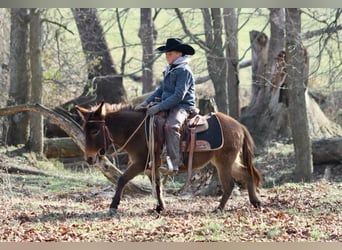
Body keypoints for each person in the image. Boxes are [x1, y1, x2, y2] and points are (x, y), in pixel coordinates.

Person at [135, 38, 196, 175]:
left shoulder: (184, 71)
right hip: (168, 104)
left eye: (169, 53)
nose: (166, 56)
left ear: (179, 54)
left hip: (182, 106)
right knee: (151, 122)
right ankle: (154, 158)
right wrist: (146, 102)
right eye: (166, 54)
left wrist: (159, 107)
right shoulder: (170, 70)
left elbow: (178, 96)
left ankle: (175, 163)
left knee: (171, 126)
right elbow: (160, 90)